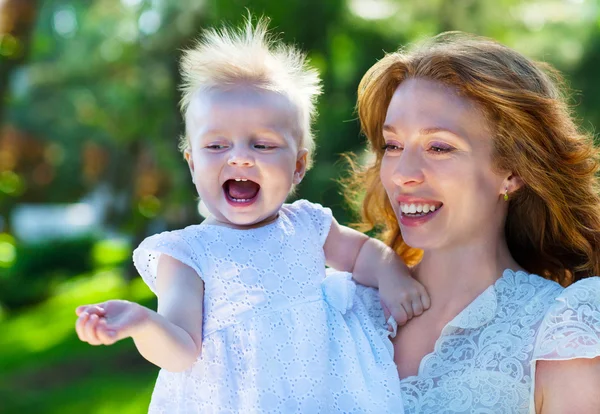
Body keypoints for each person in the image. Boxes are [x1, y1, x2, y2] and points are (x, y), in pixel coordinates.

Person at [74, 17, 430, 413]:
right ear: (192, 164)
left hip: (319, 395)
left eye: (261, 145)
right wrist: (140, 322)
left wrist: (393, 275)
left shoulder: (308, 225)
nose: (239, 156)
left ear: (298, 167)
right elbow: (180, 349)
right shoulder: (188, 253)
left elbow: (364, 255)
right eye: (216, 145)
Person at [349, 31, 600, 413]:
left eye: (439, 147)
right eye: (393, 146)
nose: (403, 174)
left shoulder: (562, 331)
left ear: (512, 172)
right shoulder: (344, 308)